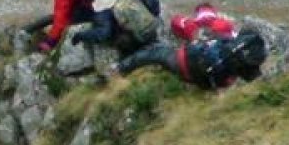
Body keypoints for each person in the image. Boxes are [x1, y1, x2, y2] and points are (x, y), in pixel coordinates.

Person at [115, 29, 268, 89]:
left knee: (155, 53)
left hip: (183, 60)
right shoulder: (249, 66)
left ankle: (121, 68)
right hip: (201, 79)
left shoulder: (229, 41)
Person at [71, 0, 162, 56]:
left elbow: (103, 34)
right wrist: (154, 15)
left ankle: (134, 52)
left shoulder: (101, 12)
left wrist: (80, 36)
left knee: (117, 38)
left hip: (139, 38)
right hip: (152, 25)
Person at [170, 2, 236, 42]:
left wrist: (187, 20)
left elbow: (175, 21)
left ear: (197, 14)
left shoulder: (190, 25)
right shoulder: (225, 23)